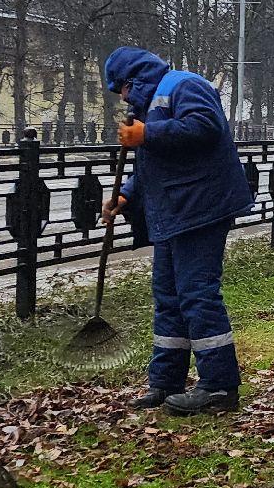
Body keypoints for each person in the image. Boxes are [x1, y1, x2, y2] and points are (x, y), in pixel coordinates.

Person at [101, 47, 253, 416]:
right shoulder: (148, 106)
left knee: (197, 295)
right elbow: (153, 166)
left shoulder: (185, 85)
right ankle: (166, 381)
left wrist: (147, 134)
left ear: (136, 78)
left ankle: (218, 387)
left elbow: (204, 127)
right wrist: (125, 194)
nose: (122, 96)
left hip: (201, 208)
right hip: (173, 213)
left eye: (122, 87)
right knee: (168, 296)